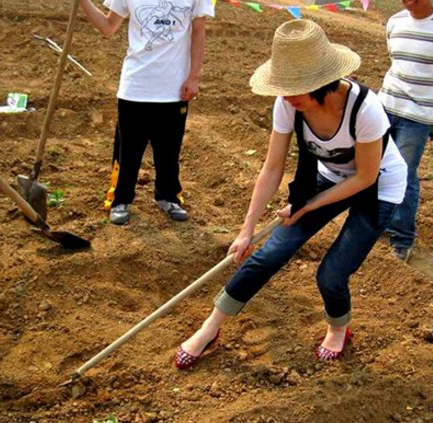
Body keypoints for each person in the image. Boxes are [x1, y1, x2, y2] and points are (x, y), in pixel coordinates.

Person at [173, 19, 408, 369]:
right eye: (283, 86)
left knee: (331, 274)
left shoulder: (365, 108)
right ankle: (210, 328)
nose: (287, 95)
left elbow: (365, 176)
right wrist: (246, 230)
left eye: (297, 86)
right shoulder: (288, 104)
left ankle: (338, 329)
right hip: (330, 178)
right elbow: (271, 168)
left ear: (323, 81)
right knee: (269, 253)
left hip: (378, 186)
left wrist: (306, 206)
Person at [79, 0, 214, 225]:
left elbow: (199, 32)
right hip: (136, 85)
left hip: (174, 88)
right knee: (128, 149)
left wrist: (194, 76)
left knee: (169, 149)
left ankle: (168, 196)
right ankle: (120, 200)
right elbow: (108, 27)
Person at [379, 0, 433, 261]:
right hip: (386, 106)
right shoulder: (395, 21)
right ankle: (379, 223)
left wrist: (432, 106)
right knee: (377, 168)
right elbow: (395, 62)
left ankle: (402, 237)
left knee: (404, 176)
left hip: (417, 117)